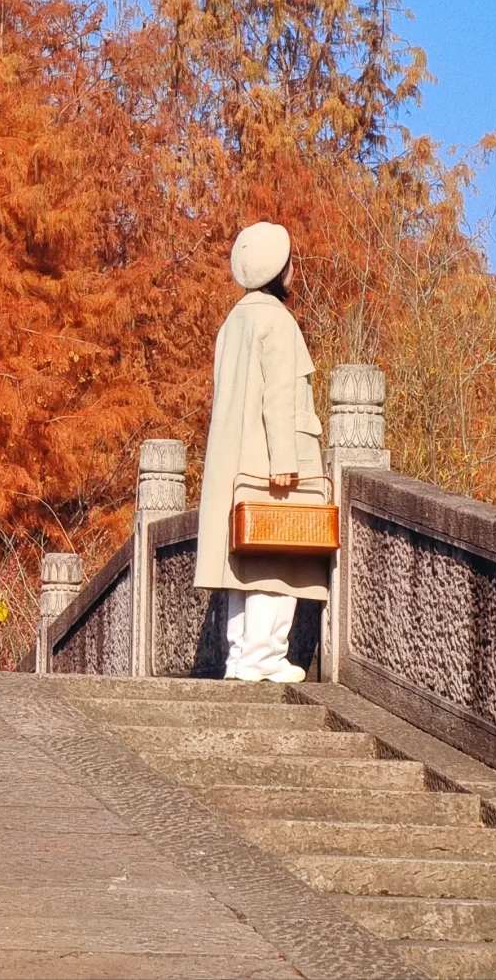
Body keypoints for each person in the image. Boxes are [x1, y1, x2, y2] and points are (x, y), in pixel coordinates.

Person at [193, 221, 328, 683]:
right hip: (272, 462)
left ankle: (240, 657)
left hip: (235, 463)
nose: (294, 270)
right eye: (291, 262)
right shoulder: (278, 321)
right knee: (278, 561)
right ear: (279, 269)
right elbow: (280, 399)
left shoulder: (234, 322)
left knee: (242, 566)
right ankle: (263, 657)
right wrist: (287, 463)